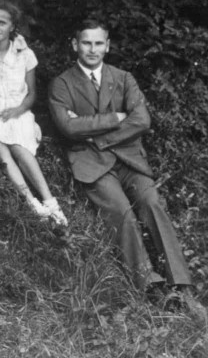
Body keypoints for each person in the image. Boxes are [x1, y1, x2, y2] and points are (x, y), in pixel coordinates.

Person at [48, 19, 196, 297]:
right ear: (75, 45)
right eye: (86, 43)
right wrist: (114, 118)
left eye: (98, 43)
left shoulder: (123, 78)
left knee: (152, 203)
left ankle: (182, 286)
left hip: (129, 158)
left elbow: (141, 120)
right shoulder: (62, 84)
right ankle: (150, 286)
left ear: (107, 46)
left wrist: (96, 133)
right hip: (91, 163)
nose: (92, 49)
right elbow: (67, 127)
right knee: (121, 212)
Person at [0, 0, 67, 224]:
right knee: (1, 147)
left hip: (19, 112)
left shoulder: (24, 54)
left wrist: (17, 110)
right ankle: (31, 201)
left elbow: (31, 94)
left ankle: (49, 201)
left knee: (18, 146)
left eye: (2, 23)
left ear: (12, 26)